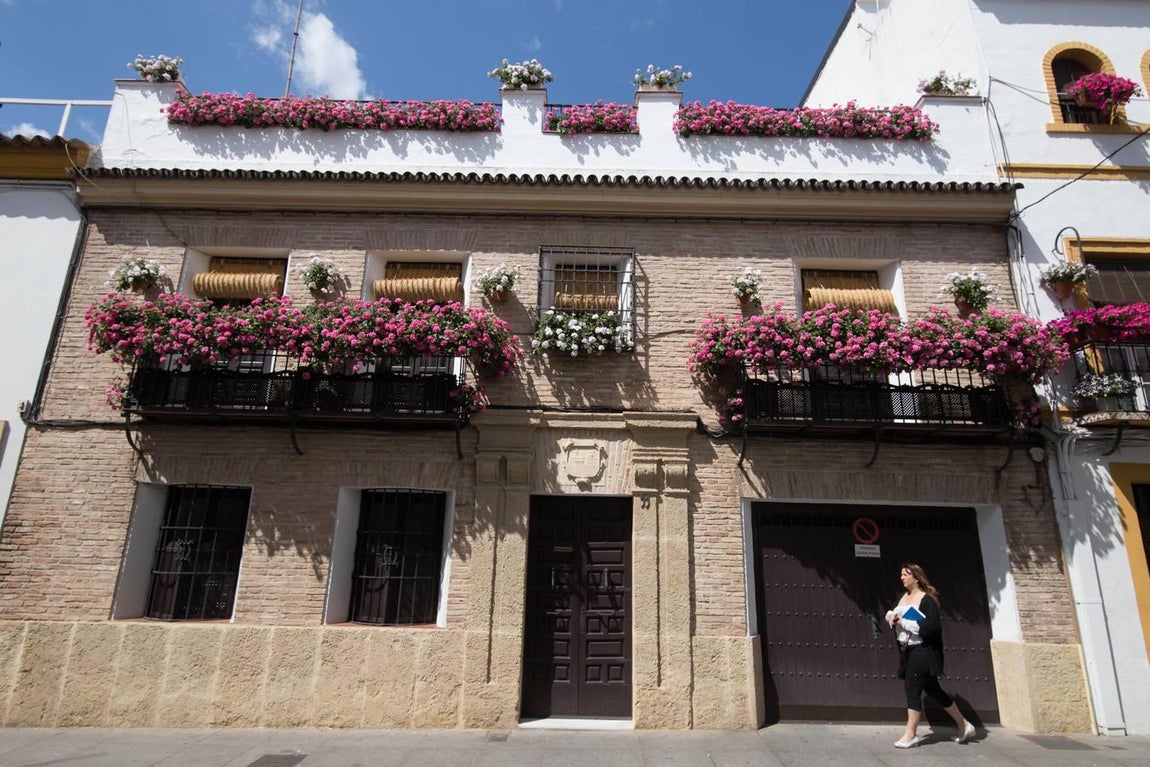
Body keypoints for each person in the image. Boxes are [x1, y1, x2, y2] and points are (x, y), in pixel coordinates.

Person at [884, 562, 976, 749]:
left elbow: (931, 628)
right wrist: (891, 617)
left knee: (912, 690)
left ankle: (910, 735)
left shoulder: (927, 601)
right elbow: (891, 611)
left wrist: (903, 622)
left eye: (905, 574)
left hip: (923, 651)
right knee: (934, 691)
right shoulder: (903, 596)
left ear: (915, 577)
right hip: (907, 651)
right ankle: (965, 725)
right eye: (901, 574)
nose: (901, 577)